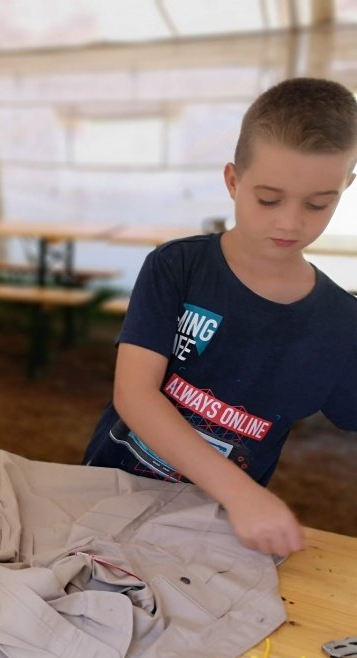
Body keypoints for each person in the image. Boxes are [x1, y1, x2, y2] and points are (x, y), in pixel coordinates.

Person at [84, 77, 357, 558]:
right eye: (268, 198)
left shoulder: (340, 322)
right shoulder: (177, 267)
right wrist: (241, 493)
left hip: (209, 534)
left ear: (346, 187)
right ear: (232, 181)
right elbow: (135, 394)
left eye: (318, 204)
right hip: (110, 495)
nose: (290, 222)